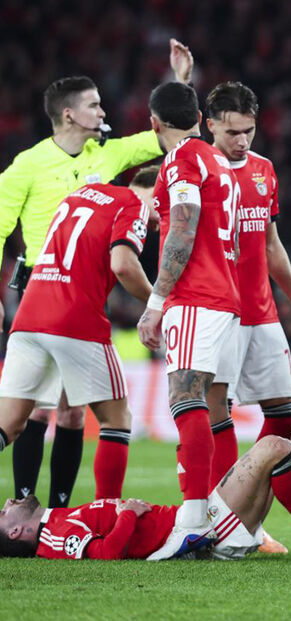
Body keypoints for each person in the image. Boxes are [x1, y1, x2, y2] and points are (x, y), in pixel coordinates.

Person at [0, 39, 192, 509]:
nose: (102, 111)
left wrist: (180, 84)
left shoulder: (105, 156)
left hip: (86, 286)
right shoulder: (28, 165)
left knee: (68, 414)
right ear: (69, 115)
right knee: (42, 409)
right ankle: (26, 500)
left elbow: (168, 134)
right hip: (40, 284)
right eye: (94, 105)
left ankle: (59, 509)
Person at [201, 81, 291, 556]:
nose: (242, 141)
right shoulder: (196, 171)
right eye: (232, 132)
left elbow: (270, 244)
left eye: (248, 131)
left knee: (284, 414)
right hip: (213, 310)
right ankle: (221, 522)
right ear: (210, 125)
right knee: (215, 415)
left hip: (262, 311)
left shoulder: (264, 171)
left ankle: (241, 509)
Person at [0, 169, 157, 502]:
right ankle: (105, 516)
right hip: (75, 319)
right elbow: (123, 265)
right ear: (155, 192)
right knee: (117, 419)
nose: (160, 224)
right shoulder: (134, 204)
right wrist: (161, 304)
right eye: (163, 211)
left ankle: (51, 512)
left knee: (10, 423)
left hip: (29, 316)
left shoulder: (80, 194)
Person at [136, 81, 243, 561]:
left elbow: (183, 223)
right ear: (201, 116)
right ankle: (224, 520)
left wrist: (157, 299)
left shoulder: (181, 158)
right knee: (211, 406)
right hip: (225, 295)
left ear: (154, 124)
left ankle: (195, 519)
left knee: (185, 395)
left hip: (196, 295)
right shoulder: (218, 159)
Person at [0, 435, 291, 561]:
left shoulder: (55, 522)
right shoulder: (55, 537)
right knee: (274, 448)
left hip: (202, 523)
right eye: (3, 514)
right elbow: (107, 553)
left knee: (277, 452)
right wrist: (129, 511)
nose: (8, 504)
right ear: (15, 532)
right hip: (206, 531)